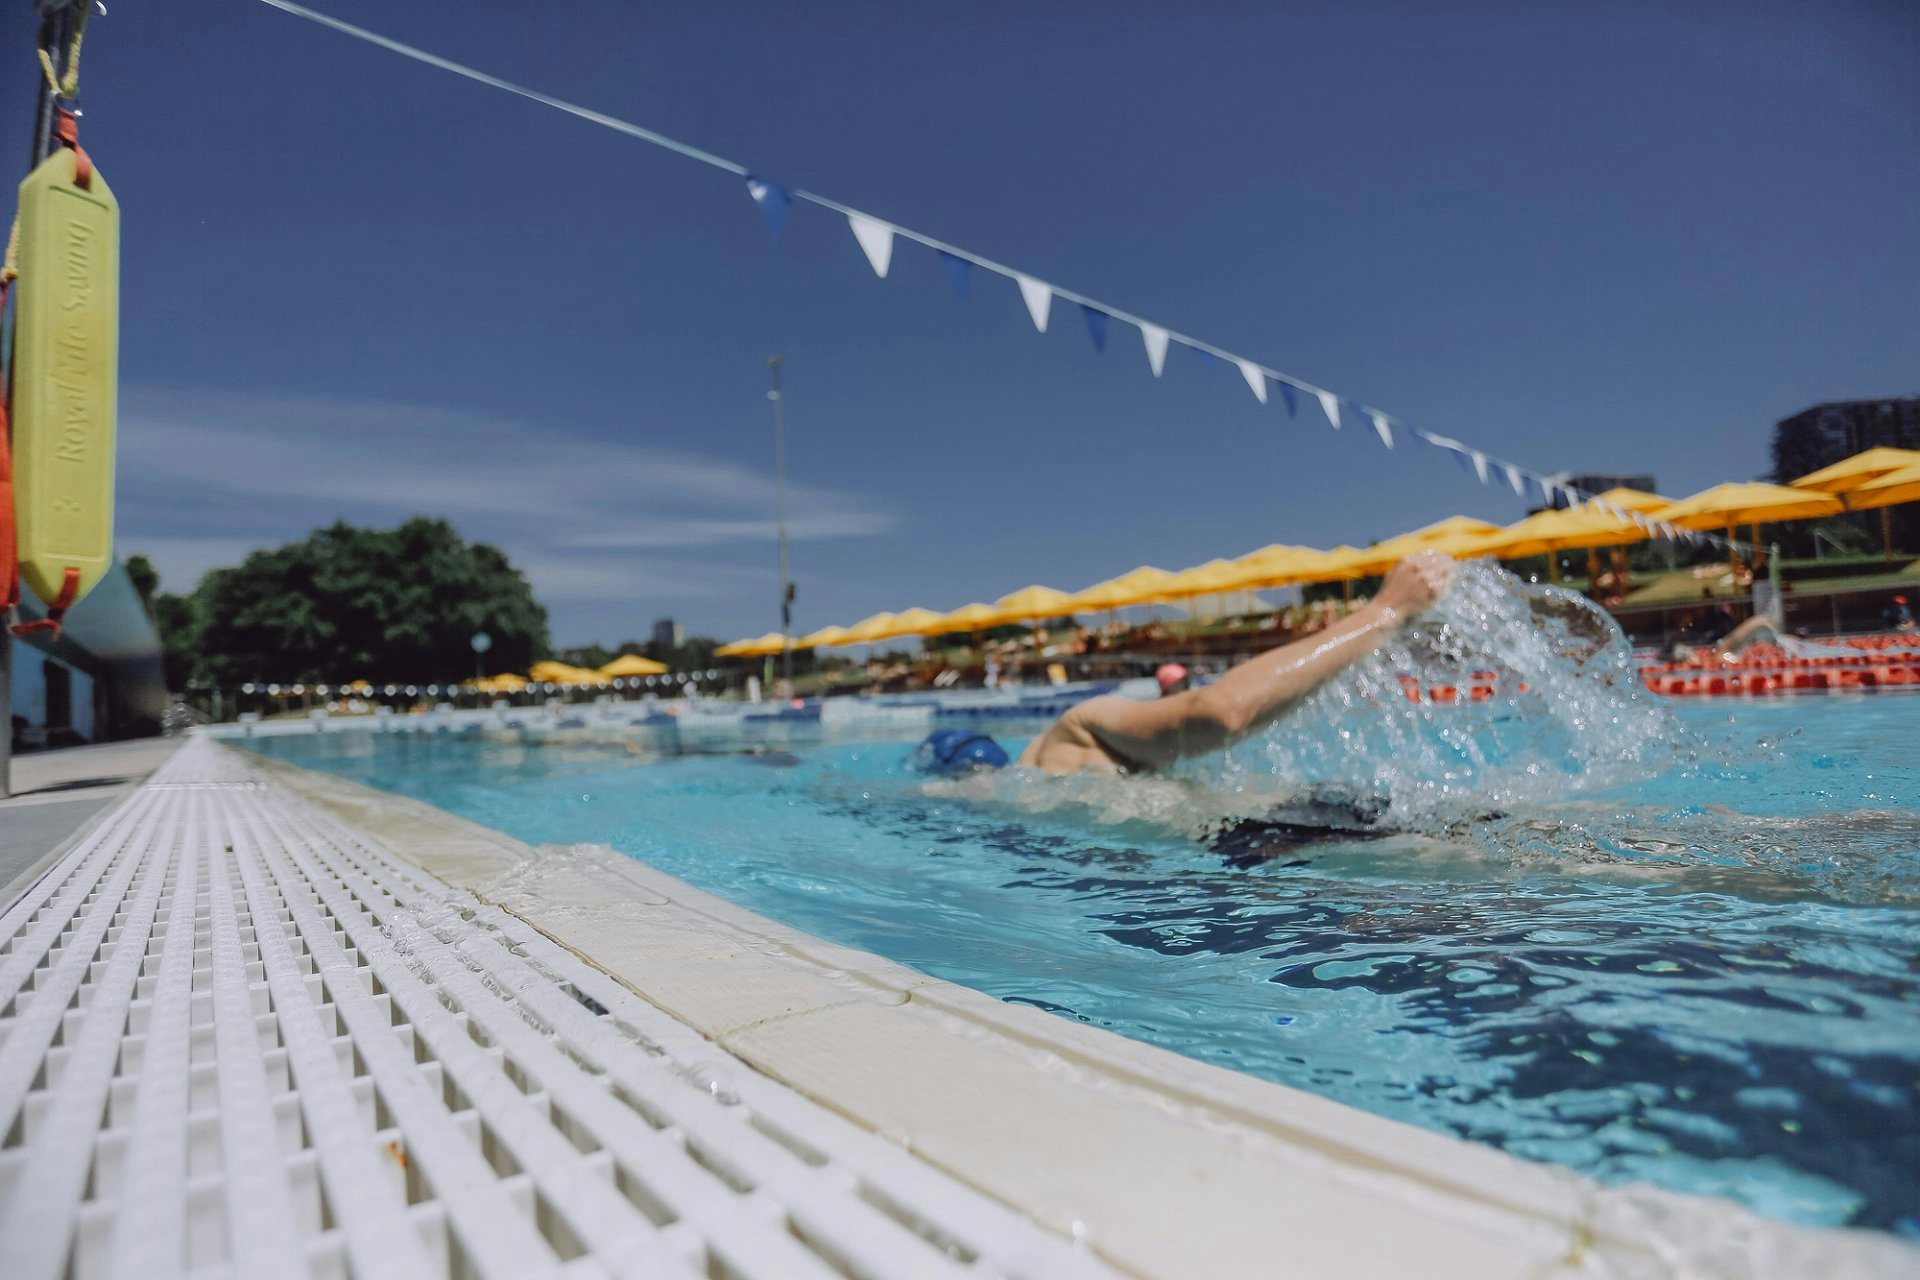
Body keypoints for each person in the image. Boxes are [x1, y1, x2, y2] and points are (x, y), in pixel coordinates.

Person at [1013, 552, 1454, 774]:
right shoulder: (1081, 726)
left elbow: (1214, 711)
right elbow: (1218, 711)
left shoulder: (1057, 751)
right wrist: (1384, 612)